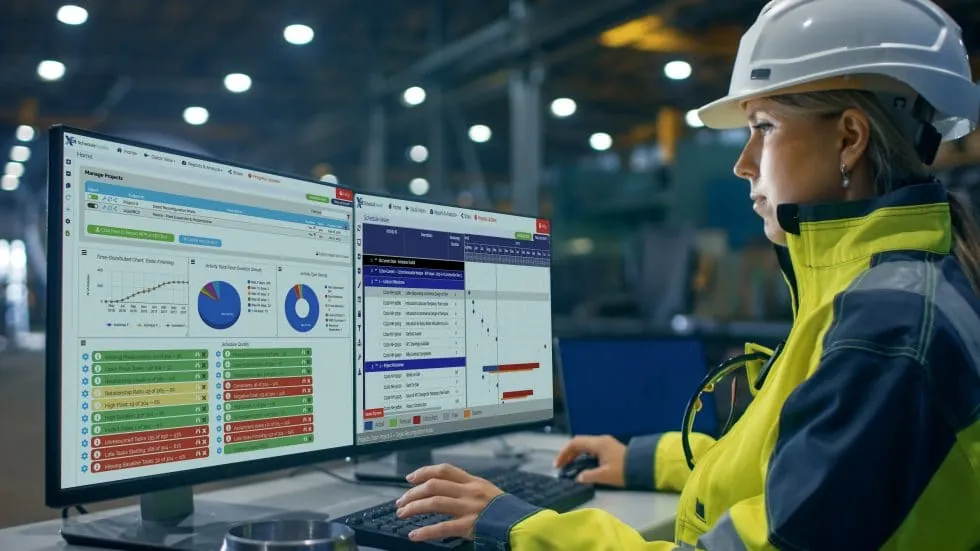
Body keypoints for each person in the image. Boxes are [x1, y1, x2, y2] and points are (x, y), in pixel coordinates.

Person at [394, 0, 980, 548]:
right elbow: (793, 459)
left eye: (764, 126)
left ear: (849, 137)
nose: (743, 162)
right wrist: (646, 460)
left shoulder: (891, 330)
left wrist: (519, 526)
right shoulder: (877, 290)